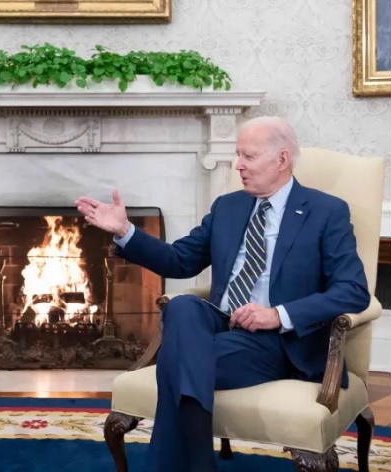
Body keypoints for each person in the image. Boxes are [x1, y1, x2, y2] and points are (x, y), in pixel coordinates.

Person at [75, 116, 371, 472]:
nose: (238, 166)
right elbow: (180, 260)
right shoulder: (228, 207)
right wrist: (125, 231)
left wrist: (278, 314)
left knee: (176, 361)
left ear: (281, 160)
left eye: (248, 156)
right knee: (183, 307)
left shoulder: (326, 211)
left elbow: (353, 290)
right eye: (237, 155)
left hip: (276, 342)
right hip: (220, 325)